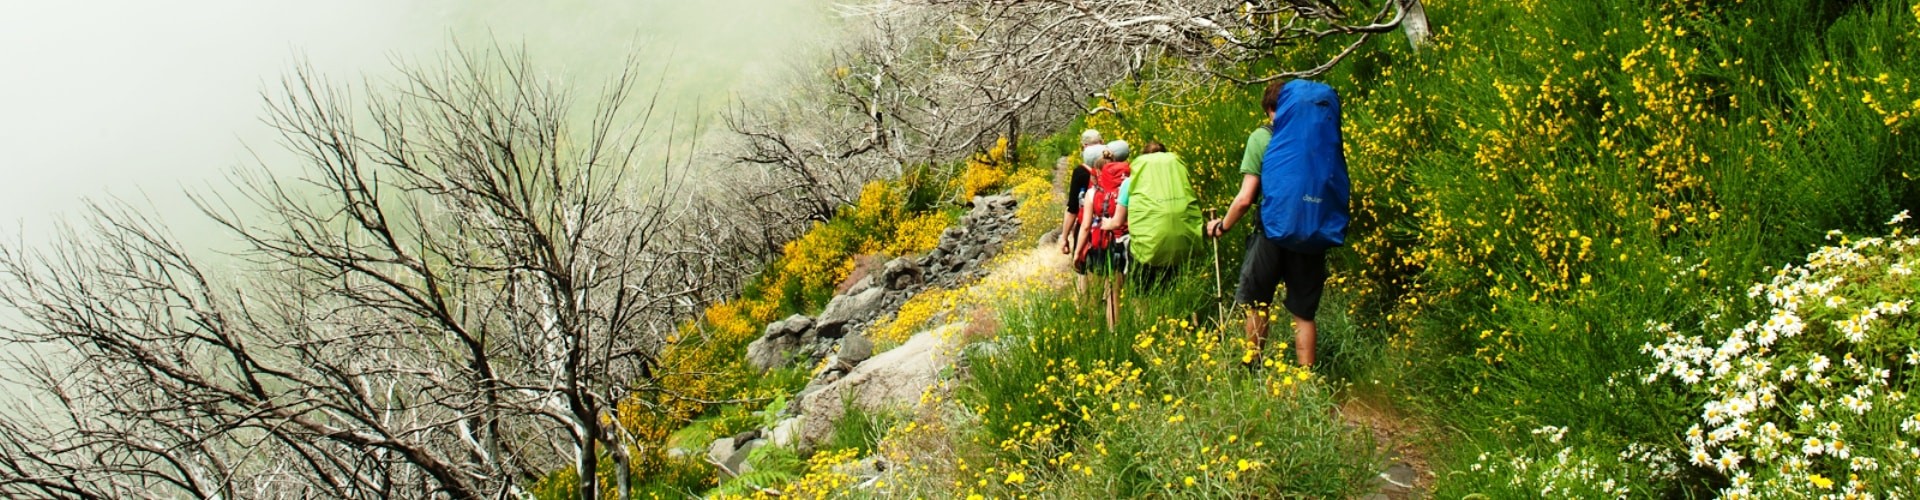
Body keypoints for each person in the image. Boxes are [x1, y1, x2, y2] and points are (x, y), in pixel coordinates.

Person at [1204, 80, 1330, 368]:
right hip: (1311, 231)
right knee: (1304, 313)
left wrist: (1223, 226)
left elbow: (1246, 198)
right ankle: (1306, 379)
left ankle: (1253, 368)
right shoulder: (1317, 136)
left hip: (1272, 232)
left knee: (1256, 303)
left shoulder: (1262, 138)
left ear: (1269, 109)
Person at [1076, 141, 1131, 329]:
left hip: (1100, 245)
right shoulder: (1126, 187)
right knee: (1116, 292)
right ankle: (1117, 331)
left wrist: (1077, 253)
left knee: (1097, 293)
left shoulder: (1093, 193)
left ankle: (1096, 330)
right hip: (1124, 243)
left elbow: (1085, 227)